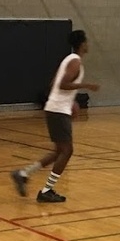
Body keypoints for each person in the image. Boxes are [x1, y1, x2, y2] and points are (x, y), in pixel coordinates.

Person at [10, 30, 100, 203]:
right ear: (82, 44)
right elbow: (62, 84)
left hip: (56, 108)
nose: (88, 44)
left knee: (59, 151)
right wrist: (86, 86)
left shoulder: (68, 59)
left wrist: (68, 102)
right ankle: (47, 190)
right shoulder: (75, 62)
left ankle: (23, 174)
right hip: (58, 110)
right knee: (67, 150)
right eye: (86, 42)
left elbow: (53, 85)